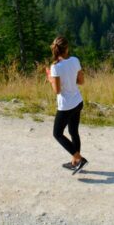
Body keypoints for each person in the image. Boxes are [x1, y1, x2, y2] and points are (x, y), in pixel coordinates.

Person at [45, 35, 87, 174]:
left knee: (57, 133)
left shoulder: (55, 67)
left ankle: (79, 159)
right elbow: (81, 82)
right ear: (67, 48)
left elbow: (57, 91)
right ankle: (75, 162)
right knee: (73, 132)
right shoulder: (75, 60)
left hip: (66, 106)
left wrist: (50, 78)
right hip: (78, 101)